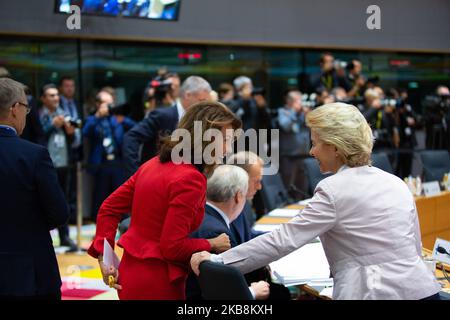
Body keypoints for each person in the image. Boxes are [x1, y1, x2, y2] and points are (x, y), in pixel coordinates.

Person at [191, 102, 442, 300]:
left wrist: (217, 261)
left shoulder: (333, 189)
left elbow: (283, 240)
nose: (311, 152)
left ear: (336, 147)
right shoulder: (396, 182)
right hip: (423, 290)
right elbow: (415, 246)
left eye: (315, 144)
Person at [88, 100, 241, 300]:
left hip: (130, 276)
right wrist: (211, 243)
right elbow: (172, 248)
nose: (228, 149)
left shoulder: (152, 164)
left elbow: (109, 208)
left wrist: (104, 257)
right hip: (158, 283)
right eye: (226, 140)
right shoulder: (191, 178)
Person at [0, 78, 69, 299]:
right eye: (25, 108)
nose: (26, 115)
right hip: (29, 270)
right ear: (14, 109)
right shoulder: (34, 154)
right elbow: (59, 213)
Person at [187, 165, 270, 300]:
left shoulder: (199, 213)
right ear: (238, 196)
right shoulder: (217, 233)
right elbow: (223, 291)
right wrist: (253, 292)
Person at [122, 76, 212, 178]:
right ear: (187, 95)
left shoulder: (200, 118)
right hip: (156, 178)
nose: (204, 106)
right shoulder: (162, 115)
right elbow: (131, 137)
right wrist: (135, 174)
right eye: (201, 100)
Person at [82, 90, 136, 221]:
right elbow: (85, 132)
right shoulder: (92, 119)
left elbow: (136, 126)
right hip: (101, 163)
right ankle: (98, 225)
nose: (109, 107)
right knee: (100, 196)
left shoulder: (116, 118)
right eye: (106, 103)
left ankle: (123, 224)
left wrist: (119, 117)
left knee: (121, 195)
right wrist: (97, 116)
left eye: (111, 104)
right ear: (98, 104)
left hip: (118, 162)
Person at [39, 84, 80, 250]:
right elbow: (38, 136)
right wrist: (52, 126)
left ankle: (65, 237)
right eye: (51, 95)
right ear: (43, 98)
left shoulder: (63, 114)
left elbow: (73, 141)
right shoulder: (38, 115)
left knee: (63, 200)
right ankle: (43, 237)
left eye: (57, 95)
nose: (55, 98)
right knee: (42, 201)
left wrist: (70, 133)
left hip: (64, 164)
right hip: (45, 164)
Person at [277, 90, 311, 197]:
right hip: (289, 155)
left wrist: (307, 115)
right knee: (288, 184)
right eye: (298, 101)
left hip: (304, 155)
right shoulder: (282, 111)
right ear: (290, 101)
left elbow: (311, 127)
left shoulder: (302, 113)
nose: (301, 103)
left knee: (302, 186)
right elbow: (286, 126)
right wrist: (293, 113)